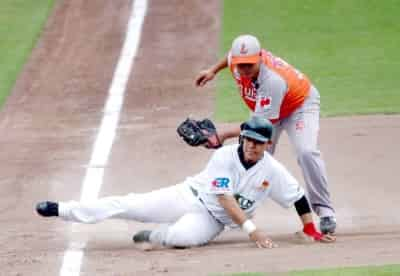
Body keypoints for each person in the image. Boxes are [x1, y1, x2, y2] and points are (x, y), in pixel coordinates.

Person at [36, 117, 335, 249]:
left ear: (267, 145)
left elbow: (297, 197)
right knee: (127, 204)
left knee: (181, 240)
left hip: (211, 221)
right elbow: (225, 199)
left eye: (259, 143)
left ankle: (154, 237)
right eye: (248, 140)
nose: (252, 146)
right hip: (186, 196)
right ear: (242, 138)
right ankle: (62, 209)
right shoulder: (225, 156)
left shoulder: (273, 170)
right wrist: (252, 231)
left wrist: (310, 228)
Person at [195, 34, 336, 234]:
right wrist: (212, 71)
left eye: (249, 65)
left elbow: (258, 128)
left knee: (306, 151)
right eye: (240, 64)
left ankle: (325, 212)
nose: (243, 69)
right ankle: (233, 209)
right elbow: (229, 58)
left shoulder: (272, 81)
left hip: (299, 106)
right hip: (268, 108)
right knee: (253, 157)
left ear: (259, 58)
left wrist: (223, 134)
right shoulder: (238, 61)